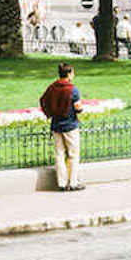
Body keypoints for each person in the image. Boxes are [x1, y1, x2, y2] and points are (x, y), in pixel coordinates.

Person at [40, 63, 83, 191]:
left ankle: (62, 183)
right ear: (69, 74)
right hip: (70, 125)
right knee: (73, 155)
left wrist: (49, 113)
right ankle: (73, 182)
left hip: (56, 125)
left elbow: (43, 100)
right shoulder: (72, 89)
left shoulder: (52, 87)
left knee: (59, 154)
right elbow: (78, 107)